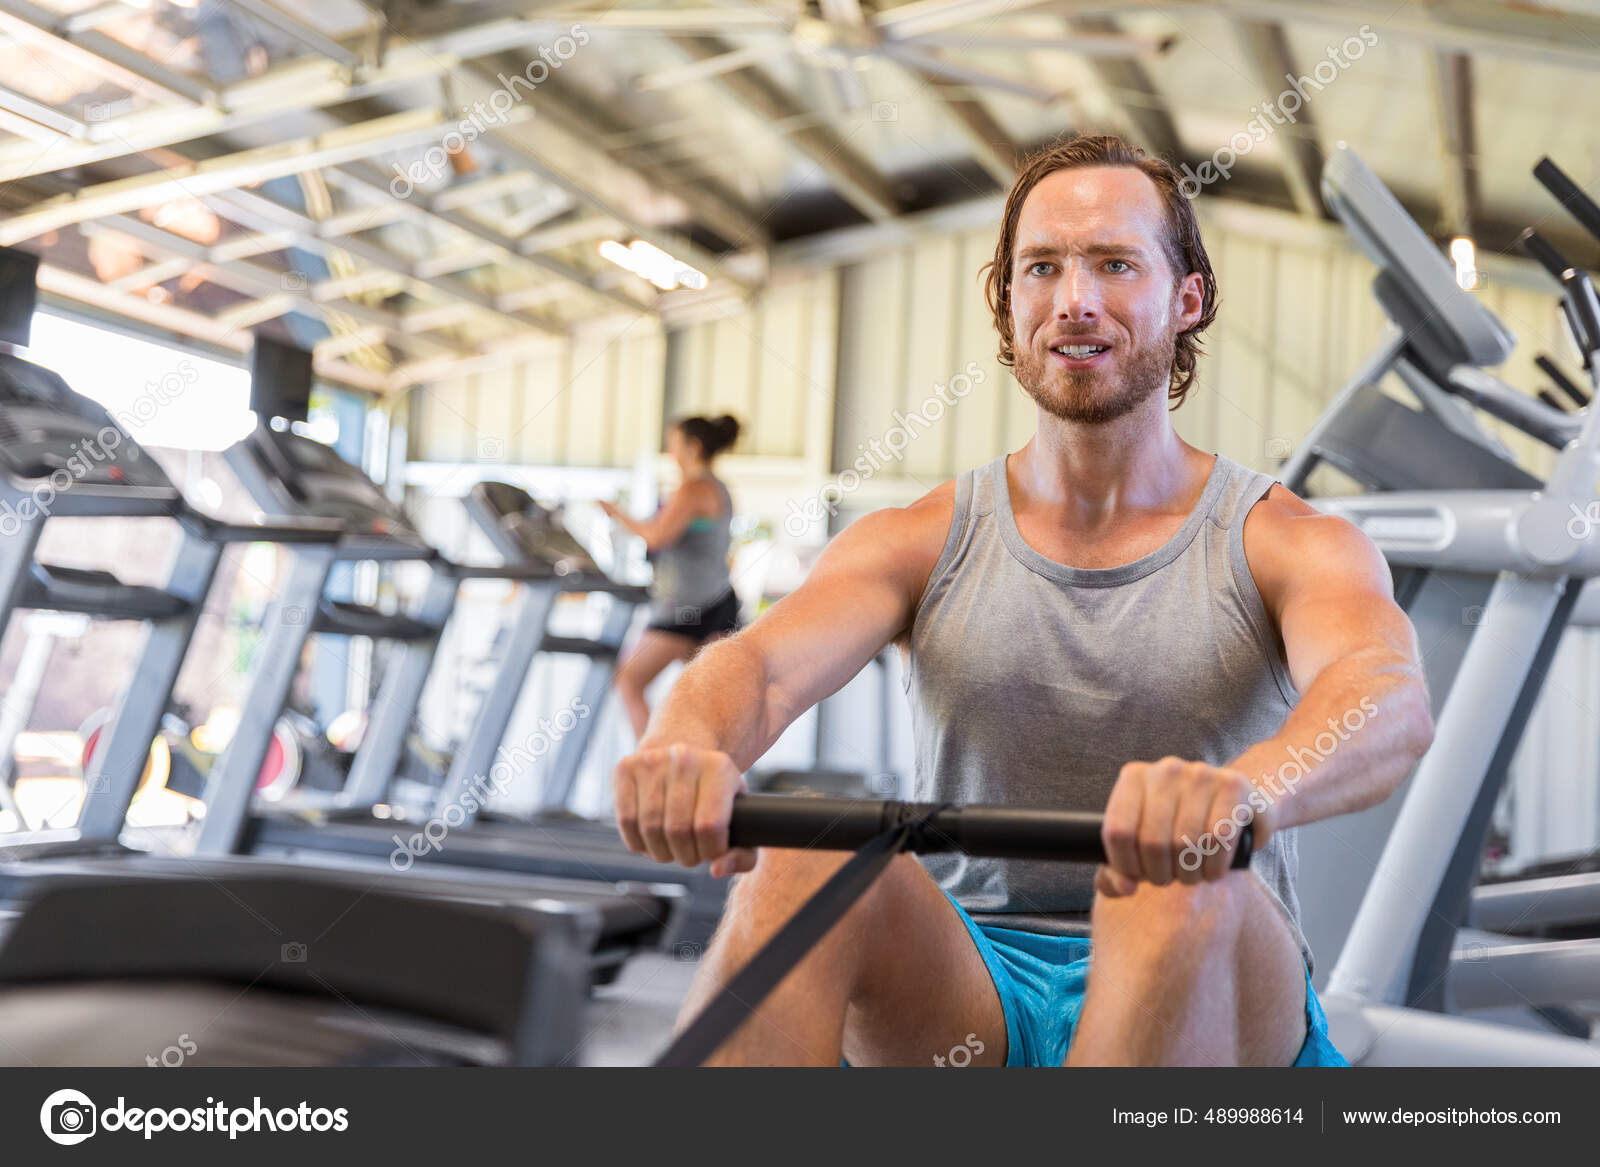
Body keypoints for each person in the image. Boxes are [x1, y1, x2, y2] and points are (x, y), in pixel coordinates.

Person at [610, 134, 1436, 1067]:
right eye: (1041, 267)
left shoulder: (1285, 539)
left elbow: (1386, 693)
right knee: (804, 855)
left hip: (1210, 965)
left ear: (1187, 299)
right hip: (973, 988)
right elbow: (754, 670)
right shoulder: (918, 536)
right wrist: (685, 741)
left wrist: (1248, 790)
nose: (1074, 298)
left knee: (1167, 883)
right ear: (1008, 303)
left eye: (1116, 264)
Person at [600, 414, 742, 740]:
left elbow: (657, 537)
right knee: (705, 700)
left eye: (674, 444)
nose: (670, 451)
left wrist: (617, 513)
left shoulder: (695, 488)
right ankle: (702, 766)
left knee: (629, 681)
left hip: (688, 606)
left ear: (693, 447)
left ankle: (654, 765)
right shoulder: (717, 488)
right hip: (715, 599)